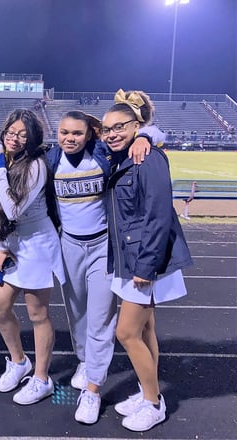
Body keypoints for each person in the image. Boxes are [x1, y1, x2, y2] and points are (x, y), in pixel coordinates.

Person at [48, 110, 152, 424]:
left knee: (100, 318)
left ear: (89, 134)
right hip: (69, 246)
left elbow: (153, 134)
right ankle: (85, 362)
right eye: (64, 132)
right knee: (76, 312)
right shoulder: (51, 158)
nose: (69, 138)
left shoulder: (103, 154)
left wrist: (146, 136)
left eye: (77, 133)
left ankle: (92, 389)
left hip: (103, 247)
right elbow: (7, 149)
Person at [102, 89, 193, 432]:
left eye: (119, 127)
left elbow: (157, 216)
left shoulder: (148, 158)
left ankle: (153, 404)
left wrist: (146, 267)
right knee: (145, 329)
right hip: (131, 256)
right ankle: (147, 392)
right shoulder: (125, 155)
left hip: (143, 261)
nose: (112, 133)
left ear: (136, 125)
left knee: (126, 332)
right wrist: (143, 136)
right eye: (107, 129)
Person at [0, 108, 65, 405]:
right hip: (12, 242)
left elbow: (13, 210)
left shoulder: (36, 166)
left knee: (37, 314)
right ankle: (19, 362)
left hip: (37, 245)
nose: (15, 138)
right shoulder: (6, 156)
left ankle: (42, 379)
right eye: (10, 131)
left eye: (22, 133)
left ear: (33, 137)